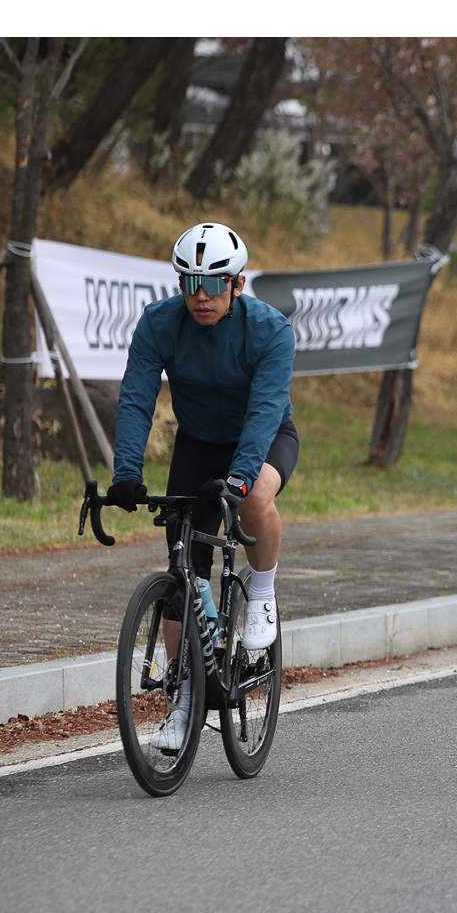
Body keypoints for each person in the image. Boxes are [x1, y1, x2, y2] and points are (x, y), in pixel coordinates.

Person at [108, 222, 296, 754]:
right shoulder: (159, 323)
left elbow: (265, 410)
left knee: (254, 497)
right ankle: (184, 702)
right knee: (182, 571)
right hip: (197, 443)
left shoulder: (271, 330)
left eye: (213, 285)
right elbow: (137, 397)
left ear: (238, 284)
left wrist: (239, 476)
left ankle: (262, 595)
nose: (201, 297)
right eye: (190, 283)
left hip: (265, 437)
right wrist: (126, 473)